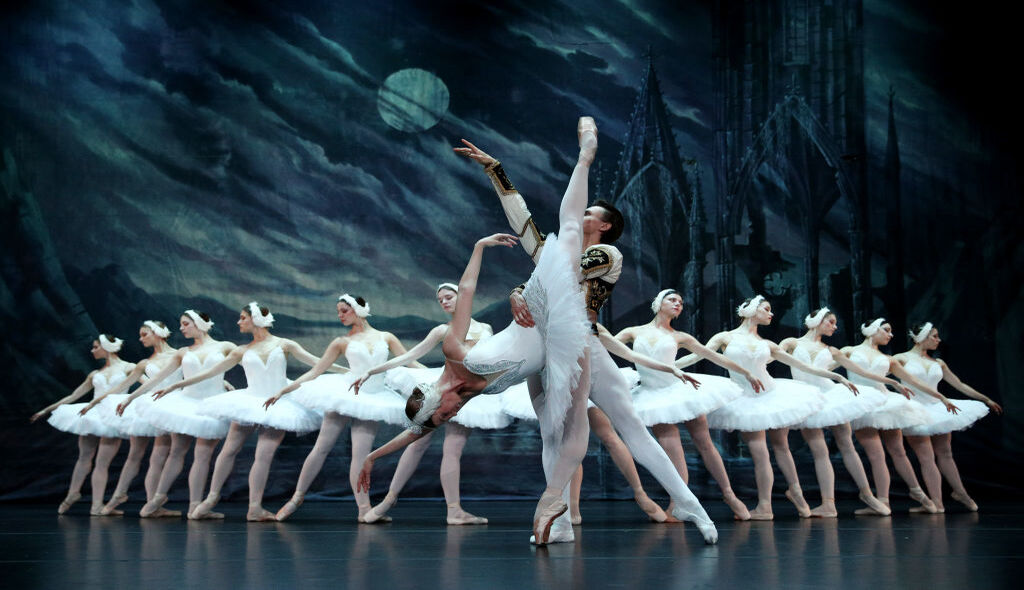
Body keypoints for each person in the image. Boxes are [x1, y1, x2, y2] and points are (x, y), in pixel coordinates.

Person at [455, 127, 719, 544]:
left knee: (627, 425)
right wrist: (495, 170)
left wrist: (522, 288)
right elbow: (523, 224)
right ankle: (560, 523)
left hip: (580, 344)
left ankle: (688, 502)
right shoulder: (558, 253)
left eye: (590, 213)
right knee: (551, 434)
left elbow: (560, 274)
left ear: (605, 225)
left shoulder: (606, 255)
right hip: (543, 344)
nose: (582, 215)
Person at [678, 295, 856, 519]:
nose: (771, 314)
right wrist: (670, 366)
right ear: (752, 310)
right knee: (760, 452)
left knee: (781, 446)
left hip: (772, 395)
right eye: (766, 309)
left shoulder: (768, 344)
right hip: (745, 399)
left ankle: (795, 493)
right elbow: (698, 355)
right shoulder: (725, 337)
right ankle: (766, 505)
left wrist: (838, 377)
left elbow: (803, 366)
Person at [156, 303, 324, 521]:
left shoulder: (284, 344)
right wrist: (175, 385)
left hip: (278, 404)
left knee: (263, 455)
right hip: (248, 402)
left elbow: (319, 363)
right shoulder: (241, 350)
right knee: (229, 450)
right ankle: (211, 499)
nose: (239, 322)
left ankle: (254, 507)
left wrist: (352, 373)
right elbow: (210, 372)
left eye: (243, 318)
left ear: (256, 319)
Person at [360, 283, 507, 524]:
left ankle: (454, 510)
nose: (444, 302)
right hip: (444, 388)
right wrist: (371, 371)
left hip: (468, 393)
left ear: (462, 297)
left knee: (453, 448)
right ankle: (389, 499)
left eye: (449, 297)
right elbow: (410, 356)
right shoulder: (442, 330)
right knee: (418, 441)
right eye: (441, 300)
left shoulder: (486, 328)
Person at [612, 289, 763, 521]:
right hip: (654, 395)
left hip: (681, 390)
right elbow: (607, 346)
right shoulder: (633, 332)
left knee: (704, 441)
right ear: (659, 303)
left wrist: (746, 373)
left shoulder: (680, 336)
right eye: (672, 300)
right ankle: (679, 503)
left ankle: (729, 495)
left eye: (681, 302)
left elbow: (713, 356)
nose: (677, 304)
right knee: (671, 446)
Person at [265, 294, 417, 522]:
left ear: (359, 309)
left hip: (373, 400)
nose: (340, 315)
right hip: (345, 394)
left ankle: (363, 509)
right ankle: (296, 498)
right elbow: (315, 371)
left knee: (361, 455)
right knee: (322, 447)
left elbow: (410, 360)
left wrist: (439, 375)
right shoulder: (341, 342)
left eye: (344, 310)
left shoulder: (386, 337)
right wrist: (283, 390)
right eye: (338, 311)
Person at [779, 307, 907, 517]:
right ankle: (829, 503)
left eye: (835, 323)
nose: (835, 326)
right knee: (820, 450)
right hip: (807, 398)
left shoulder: (832, 350)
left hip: (831, 395)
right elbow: (773, 354)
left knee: (847, 445)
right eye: (831, 322)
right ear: (817, 321)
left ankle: (867, 494)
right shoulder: (792, 343)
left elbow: (861, 371)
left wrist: (892, 382)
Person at [115, 310, 233, 518]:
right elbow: (157, 378)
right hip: (185, 404)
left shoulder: (225, 347)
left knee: (202, 456)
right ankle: (157, 499)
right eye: (181, 324)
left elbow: (249, 363)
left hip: (211, 405)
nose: (181, 328)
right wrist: (130, 398)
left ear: (199, 323)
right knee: (177, 452)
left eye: (186, 324)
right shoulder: (182, 352)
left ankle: (193, 507)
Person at [844, 318, 959, 514]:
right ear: (873, 330)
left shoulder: (889, 359)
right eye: (886, 330)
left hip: (886, 403)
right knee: (879, 455)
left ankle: (917, 495)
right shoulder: (849, 351)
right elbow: (823, 367)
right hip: (864, 404)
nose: (891, 335)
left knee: (896, 452)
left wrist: (941, 397)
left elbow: (912, 380)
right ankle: (896, 500)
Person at [895, 322, 1001, 512]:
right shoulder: (901, 359)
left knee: (945, 454)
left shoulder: (938, 363)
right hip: (915, 410)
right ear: (922, 337)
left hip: (938, 409)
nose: (938, 340)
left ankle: (961, 493)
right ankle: (937, 503)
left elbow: (959, 384)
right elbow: (878, 372)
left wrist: (985, 399)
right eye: (934, 336)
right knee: (926, 457)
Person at [78, 321, 180, 516]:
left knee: (158, 456)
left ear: (157, 333)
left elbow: (193, 373)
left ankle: (148, 503)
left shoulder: (179, 355)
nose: (140, 339)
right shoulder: (144, 363)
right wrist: (94, 402)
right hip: (150, 407)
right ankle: (121, 496)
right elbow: (122, 386)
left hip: (171, 405)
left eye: (144, 334)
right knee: (140, 454)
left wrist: (222, 381)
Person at [31, 335, 135, 515]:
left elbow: (147, 383)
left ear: (106, 347)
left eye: (95, 347)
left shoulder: (129, 367)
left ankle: (96, 505)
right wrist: (46, 410)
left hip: (111, 416)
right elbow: (73, 396)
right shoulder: (95, 374)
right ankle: (73, 494)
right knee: (84, 457)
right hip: (92, 414)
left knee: (101, 462)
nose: (92, 351)